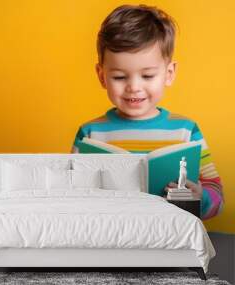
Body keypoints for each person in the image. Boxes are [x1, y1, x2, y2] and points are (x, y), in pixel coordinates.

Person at [71, 4, 223, 220]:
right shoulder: (90, 134)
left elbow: (217, 197)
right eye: (120, 77)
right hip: (110, 237)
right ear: (102, 75)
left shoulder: (186, 132)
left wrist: (200, 197)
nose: (134, 87)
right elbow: (69, 192)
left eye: (148, 76)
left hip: (170, 240)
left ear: (168, 73)